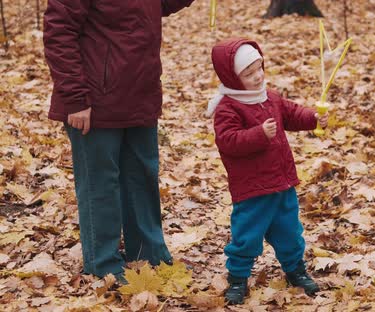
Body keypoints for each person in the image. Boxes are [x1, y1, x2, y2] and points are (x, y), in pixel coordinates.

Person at [43, 0, 194, 281]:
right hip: (93, 102)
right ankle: (104, 263)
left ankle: (149, 253)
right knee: (100, 184)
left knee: (142, 176)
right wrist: (75, 98)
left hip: (140, 93)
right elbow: (58, 31)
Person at [208, 38, 328, 305]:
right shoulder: (228, 107)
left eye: (259, 68)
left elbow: (292, 113)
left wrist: (313, 118)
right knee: (247, 236)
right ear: (232, 78)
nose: (257, 76)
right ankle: (238, 278)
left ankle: (295, 270)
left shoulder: (269, 97)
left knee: (289, 231)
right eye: (249, 74)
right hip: (253, 188)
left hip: (282, 182)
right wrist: (259, 135)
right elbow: (228, 140)